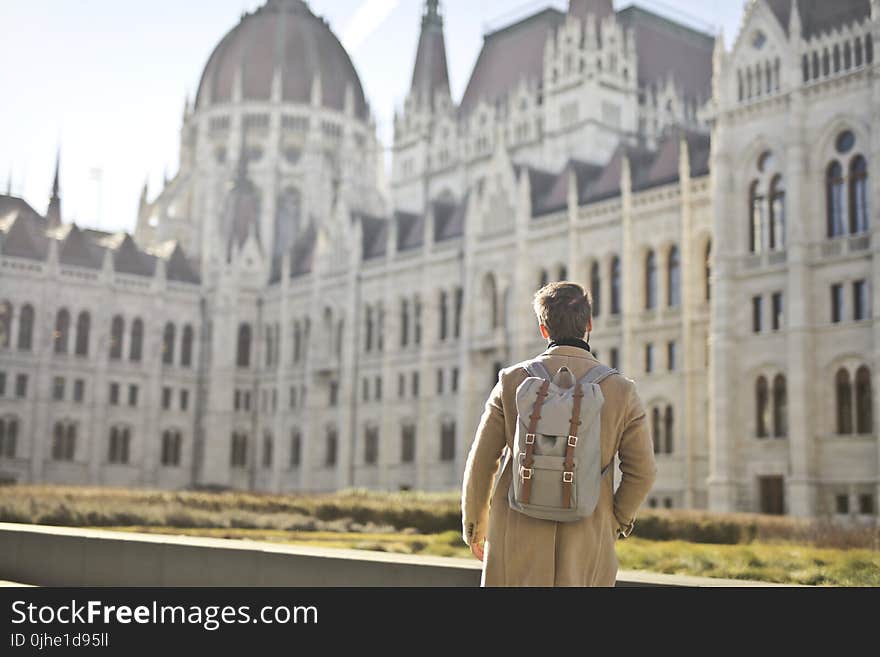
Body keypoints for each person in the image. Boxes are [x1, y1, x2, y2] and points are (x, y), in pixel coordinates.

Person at [461, 281, 656, 586]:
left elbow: (482, 461)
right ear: (589, 324)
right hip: (587, 534)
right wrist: (614, 520)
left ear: (543, 329)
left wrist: (476, 525)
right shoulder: (621, 391)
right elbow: (643, 471)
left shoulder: (511, 381)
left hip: (516, 533)